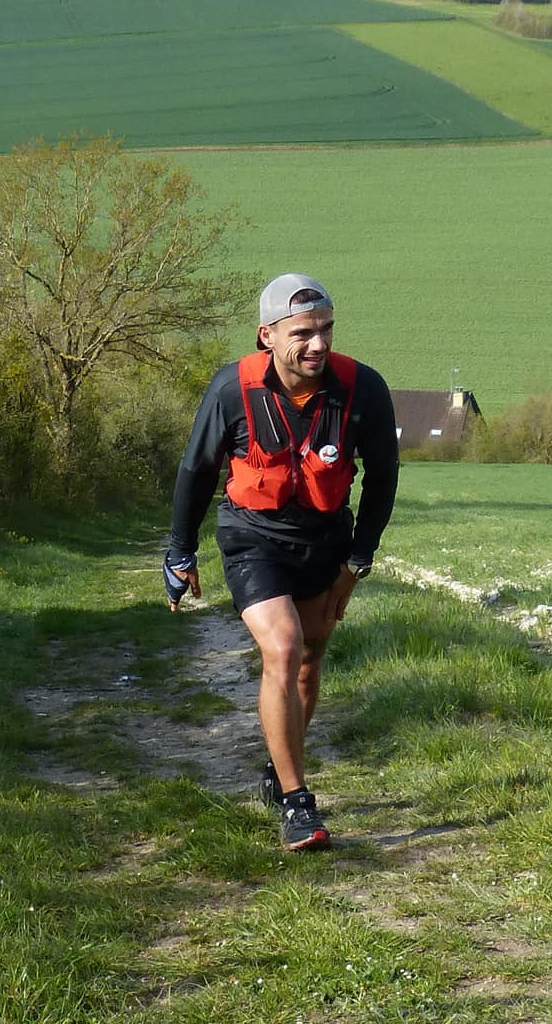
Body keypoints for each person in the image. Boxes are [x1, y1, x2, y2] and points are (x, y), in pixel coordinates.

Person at [163, 273, 398, 852]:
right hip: (253, 537)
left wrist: (356, 562)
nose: (318, 345)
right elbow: (195, 473)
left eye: (326, 331)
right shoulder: (230, 391)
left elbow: (385, 478)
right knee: (283, 646)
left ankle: (277, 767)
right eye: (303, 333)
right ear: (266, 336)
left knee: (308, 664)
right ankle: (298, 804)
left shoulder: (361, 388)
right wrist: (179, 550)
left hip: (324, 540)